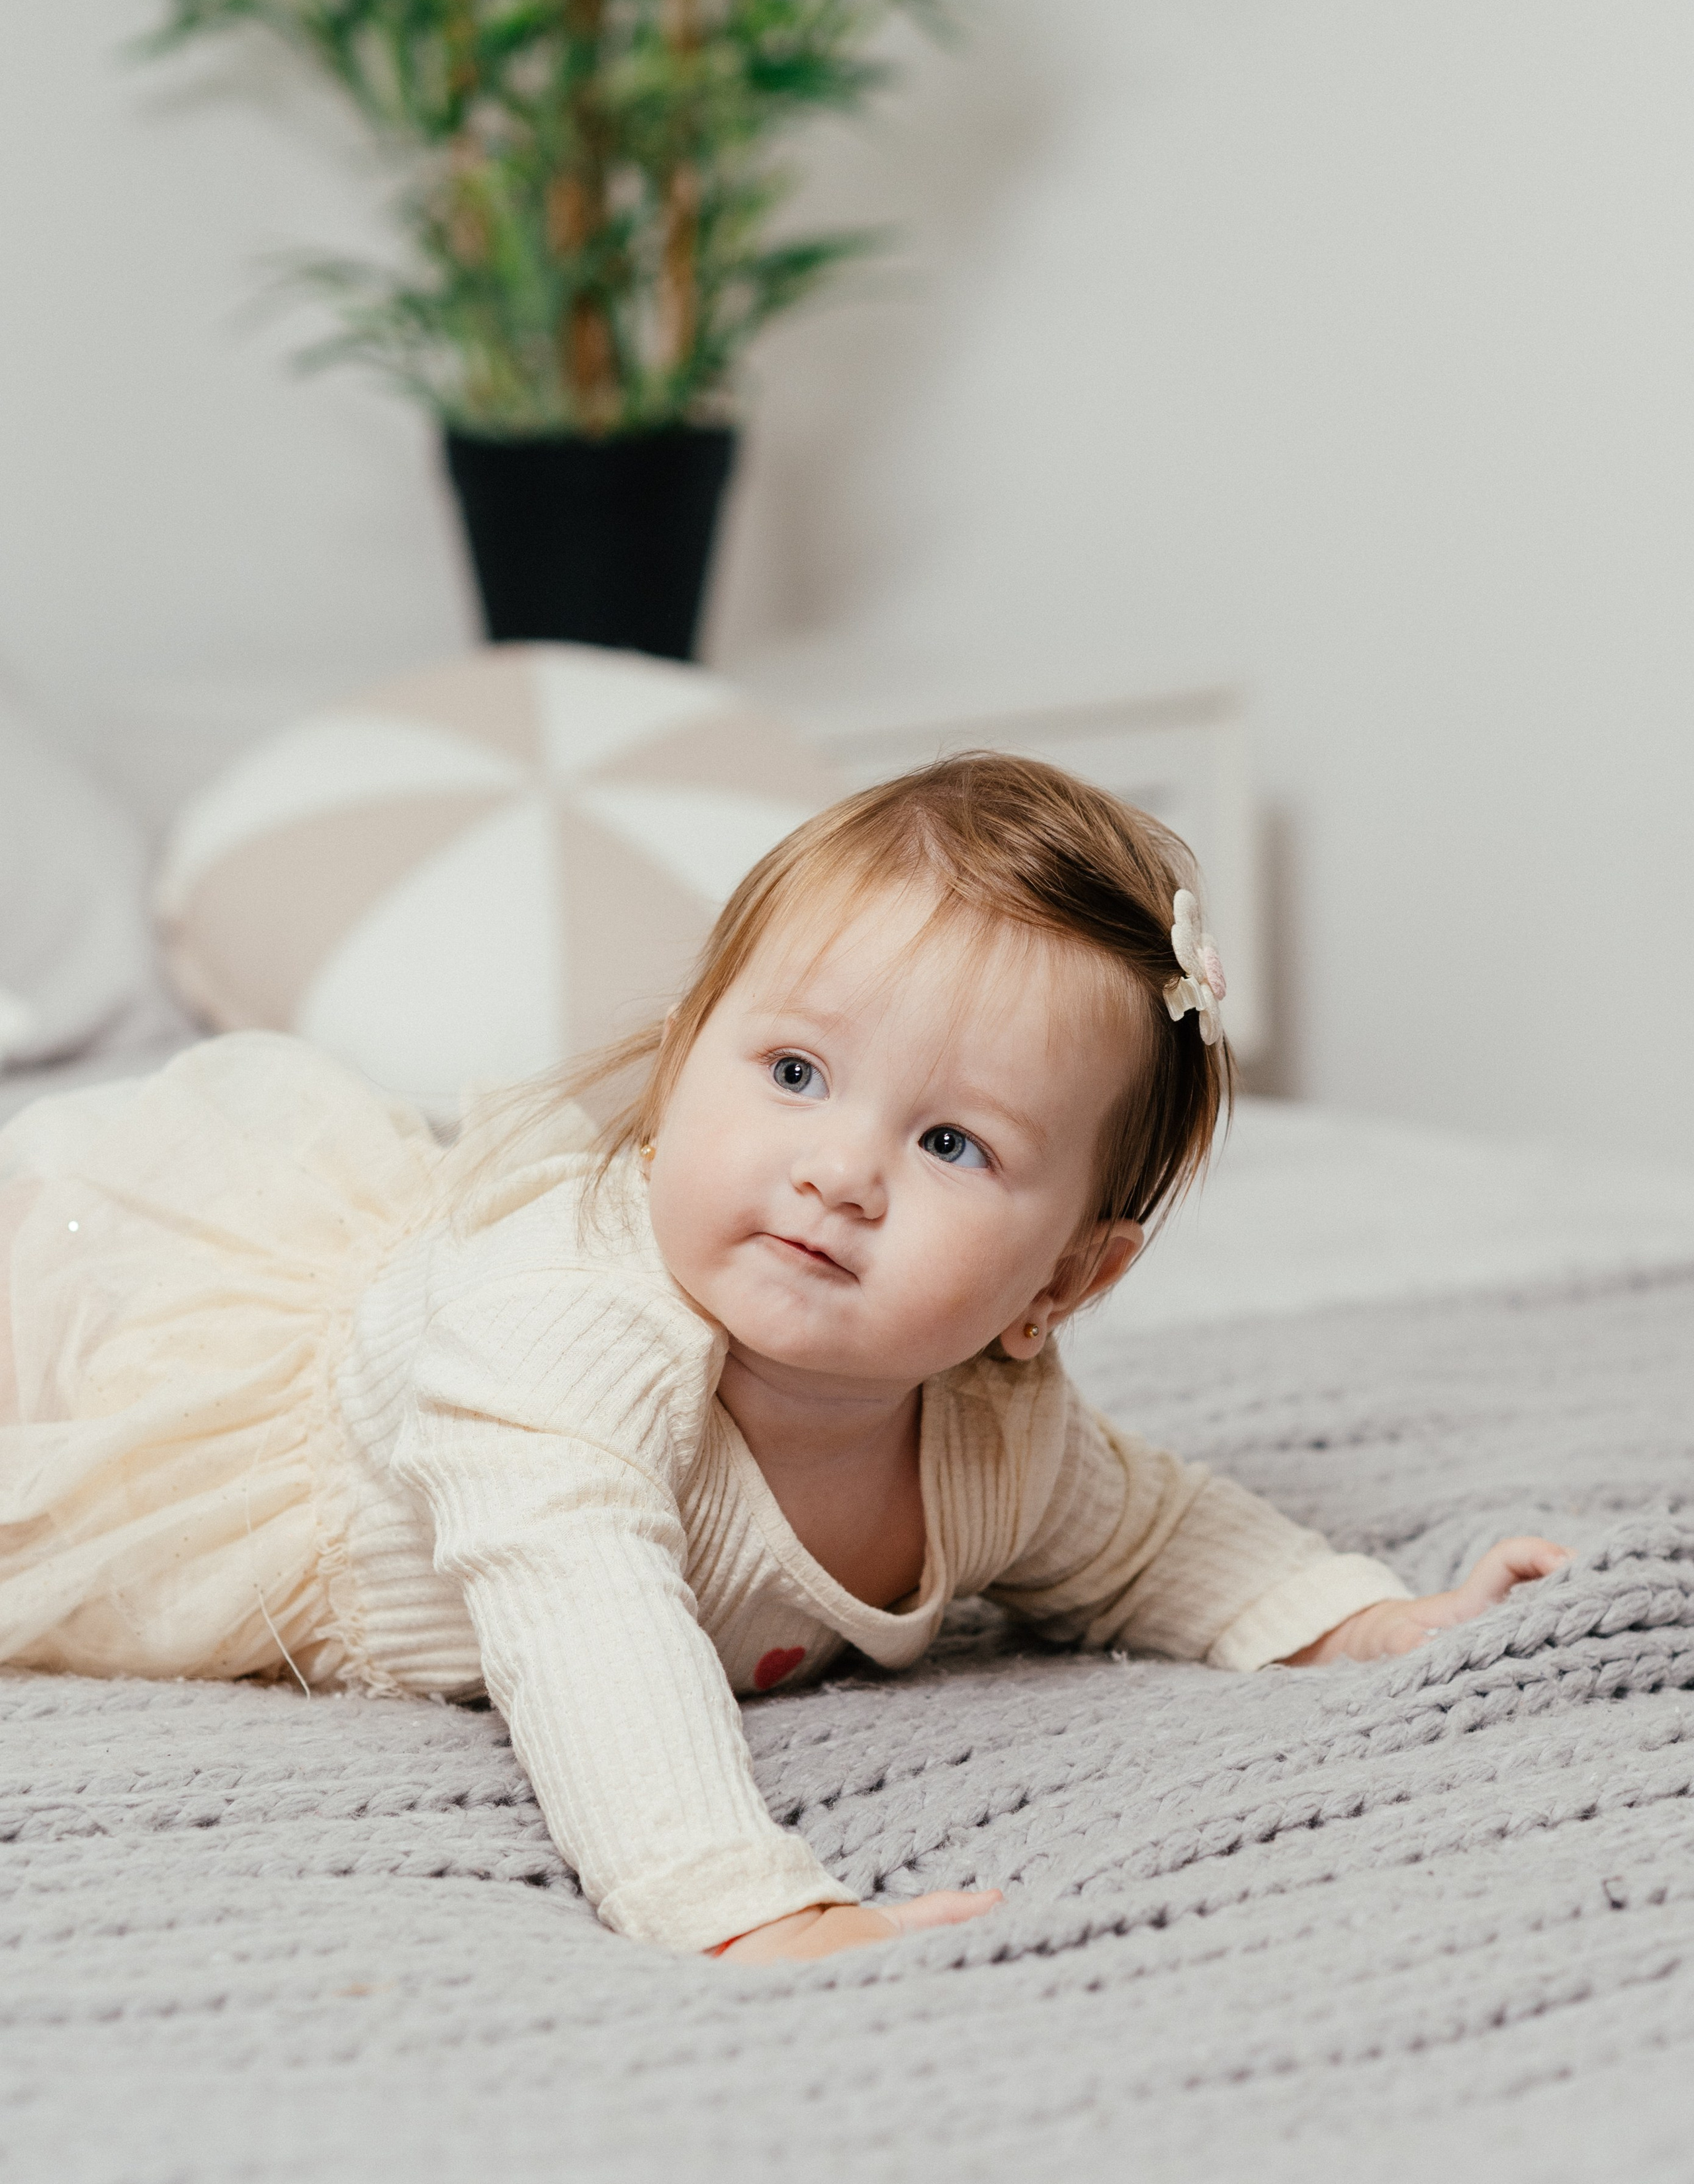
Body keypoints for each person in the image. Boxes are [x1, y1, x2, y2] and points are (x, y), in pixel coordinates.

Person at [0, 753, 1568, 1963]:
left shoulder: (990, 1429)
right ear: (685, 1066)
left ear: (1063, 1281)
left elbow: (1150, 1535)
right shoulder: (557, 1343)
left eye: (952, 1139)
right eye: (797, 1071)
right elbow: (589, 1634)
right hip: (191, 1384)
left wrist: (1358, 1616)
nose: (840, 1170)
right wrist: (749, 1907)